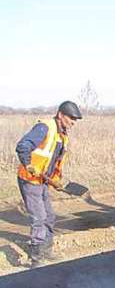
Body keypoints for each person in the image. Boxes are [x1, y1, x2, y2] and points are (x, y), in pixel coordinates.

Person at [15, 101, 83, 267]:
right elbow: (22, 146)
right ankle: (36, 257)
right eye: (71, 118)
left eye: (76, 119)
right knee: (39, 217)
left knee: (50, 216)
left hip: (43, 180)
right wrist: (28, 164)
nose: (73, 122)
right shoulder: (45, 127)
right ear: (60, 115)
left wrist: (56, 181)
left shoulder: (62, 135)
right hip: (30, 180)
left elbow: (52, 161)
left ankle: (46, 250)